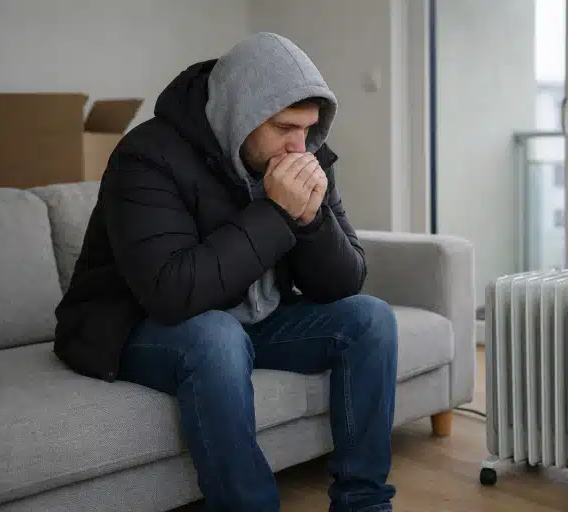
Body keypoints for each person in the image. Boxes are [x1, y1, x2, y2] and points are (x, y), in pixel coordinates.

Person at [53, 32, 398, 512]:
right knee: (216, 337)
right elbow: (171, 293)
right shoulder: (146, 157)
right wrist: (277, 214)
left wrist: (311, 218)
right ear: (242, 113)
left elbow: (342, 283)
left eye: (309, 128)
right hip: (131, 324)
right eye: (284, 127)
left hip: (253, 322)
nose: (301, 145)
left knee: (371, 319)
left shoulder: (305, 152)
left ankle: (364, 503)